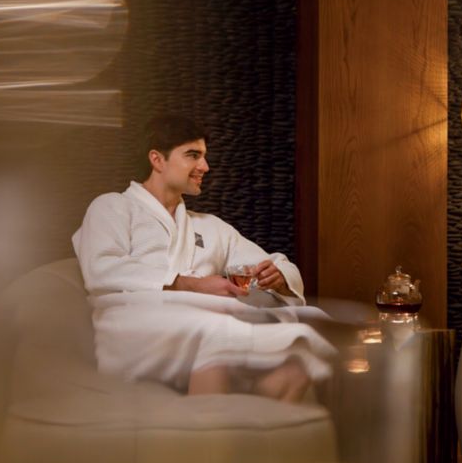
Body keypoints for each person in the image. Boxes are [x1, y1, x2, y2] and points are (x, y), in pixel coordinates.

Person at [73, 114, 334, 400]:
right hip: (132, 330)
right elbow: (102, 268)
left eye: (204, 156)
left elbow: (273, 263)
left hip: (197, 322)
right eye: (193, 155)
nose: (205, 167)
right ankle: (209, 423)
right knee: (218, 330)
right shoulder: (112, 207)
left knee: (315, 323)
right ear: (157, 160)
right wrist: (190, 284)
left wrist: (280, 277)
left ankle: (256, 419)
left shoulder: (210, 226)